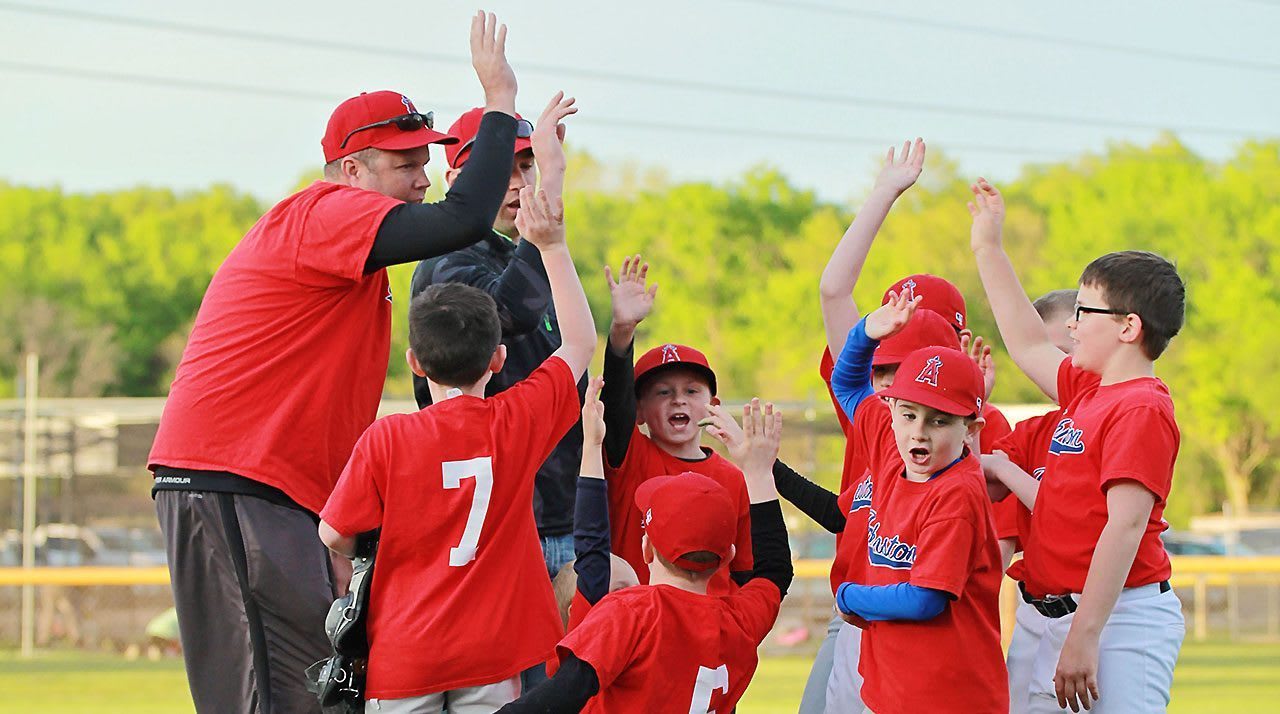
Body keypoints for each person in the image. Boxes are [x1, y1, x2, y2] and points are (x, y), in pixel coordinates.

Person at [145, 14, 524, 711]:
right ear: (352, 171)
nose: (424, 178)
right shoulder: (326, 212)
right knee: (278, 697)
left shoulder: (346, 249)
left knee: (319, 691)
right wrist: (499, 102)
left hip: (266, 490)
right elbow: (462, 220)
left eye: (424, 161)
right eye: (405, 164)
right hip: (233, 479)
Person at [318, 178, 595, 711]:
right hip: (490, 650)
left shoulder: (389, 437)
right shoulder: (516, 422)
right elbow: (580, 343)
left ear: (415, 364)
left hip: (405, 652)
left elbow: (334, 532)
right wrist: (553, 246)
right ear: (498, 359)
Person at [968, 178, 1186, 713]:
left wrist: (1085, 636)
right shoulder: (1088, 391)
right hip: (1045, 615)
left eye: (1085, 312)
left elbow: (1125, 526)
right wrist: (988, 248)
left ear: (1129, 327)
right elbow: (1027, 342)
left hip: (1115, 621)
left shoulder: (1141, 407)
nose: (1072, 324)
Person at [497, 399, 793, 713]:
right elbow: (775, 571)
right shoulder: (739, 623)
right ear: (728, 555)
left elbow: (561, 693)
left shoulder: (632, 615)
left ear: (647, 549)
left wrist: (593, 446)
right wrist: (759, 474)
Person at [410, 92, 585, 580]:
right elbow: (509, 311)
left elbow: (573, 372)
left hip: (561, 515)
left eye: (527, 166)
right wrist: (552, 181)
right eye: (498, 169)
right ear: (455, 182)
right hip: (496, 520)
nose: (517, 182)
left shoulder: (522, 256)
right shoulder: (445, 260)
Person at [829, 292, 1009, 714]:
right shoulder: (891, 447)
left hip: (952, 698)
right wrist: (866, 333)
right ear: (891, 407)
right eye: (909, 414)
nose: (919, 432)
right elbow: (847, 384)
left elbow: (924, 599)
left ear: (971, 429)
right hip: (892, 690)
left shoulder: (957, 494)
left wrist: (850, 596)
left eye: (939, 420)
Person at [600, 256, 753, 595]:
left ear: (713, 405)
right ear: (639, 411)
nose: (678, 400)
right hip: (641, 617)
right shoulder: (631, 456)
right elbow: (616, 405)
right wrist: (623, 331)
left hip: (708, 620)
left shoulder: (733, 477)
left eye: (691, 391)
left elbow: (743, 572)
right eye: (663, 392)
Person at [559, 375, 640, 632]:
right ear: (577, 611)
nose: (637, 601)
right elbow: (591, 540)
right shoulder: (589, 648)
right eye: (621, 592)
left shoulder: (644, 641)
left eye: (637, 590)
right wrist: (592, 445)